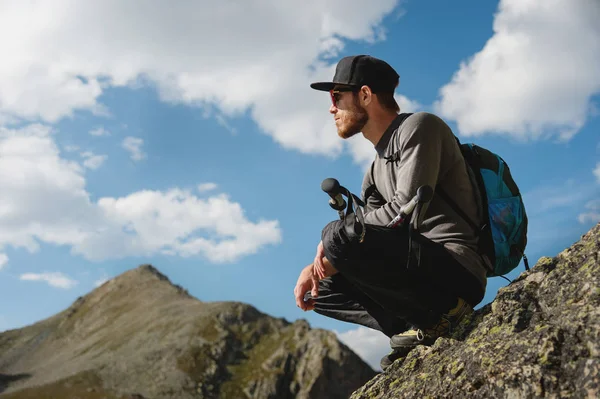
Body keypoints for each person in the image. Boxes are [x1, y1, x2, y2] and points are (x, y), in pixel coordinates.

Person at [293, 55, 489, 371]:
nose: (331, 108)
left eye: (336, 97)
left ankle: (446, 311)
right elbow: (367, 236)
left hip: (455, 268)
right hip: (418, 270)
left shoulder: (420, 126)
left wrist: (331, 242)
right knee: (323, 289)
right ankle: (415, 328)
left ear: (366, 95)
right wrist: (316, 268)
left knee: (336, 235)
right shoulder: (373, 171)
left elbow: (404, 211)